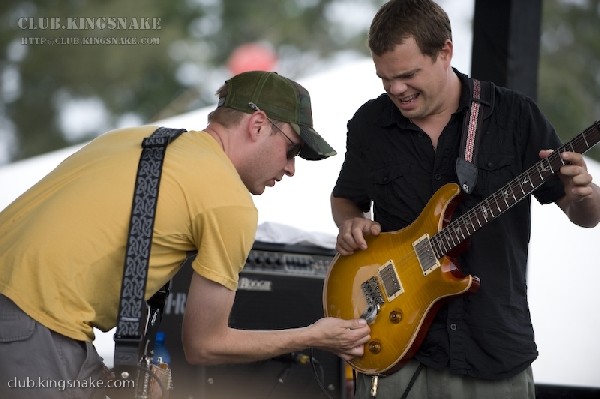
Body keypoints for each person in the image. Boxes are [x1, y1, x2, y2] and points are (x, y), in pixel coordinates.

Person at [0, 70, 371, 399]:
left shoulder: (129, 139)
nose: (290, 169)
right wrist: (315, 337)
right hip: (33, 325)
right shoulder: (228, 202)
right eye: (292, 150)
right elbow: (205, 345)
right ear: (257, 125)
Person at [330, 0, 600, 398]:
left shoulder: (515, 116)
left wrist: (585, 194)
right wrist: (349, 221)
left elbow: (585, 217)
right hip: (398, 350)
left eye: (406, 75)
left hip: (491, 353)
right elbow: (345, 199)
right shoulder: (370, 123)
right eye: (384, 79)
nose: (395, 90)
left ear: (445, 52)